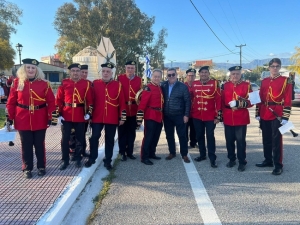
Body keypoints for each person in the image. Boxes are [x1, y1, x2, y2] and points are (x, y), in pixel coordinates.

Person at [6, 58, 56, 178]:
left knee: (39, 144)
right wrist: (10, 117)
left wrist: (51, 116)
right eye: (28, 67)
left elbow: (51, 101)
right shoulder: (17, 83)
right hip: (22, 118)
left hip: (40, 117)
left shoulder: (44, 84)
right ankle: (27, 168)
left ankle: (41, 166)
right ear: (24, 69)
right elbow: (11, 102)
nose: (30, 70)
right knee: (26, 144)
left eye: (33, 68)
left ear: (37, 70)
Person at [85, 62, 126, 170]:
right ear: (101, 72)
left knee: (110, 140)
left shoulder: (118, 85)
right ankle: (92, 157)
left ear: (111, 73)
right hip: (97, 116)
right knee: (94, 137)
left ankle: (108, 160)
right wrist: (89, 114)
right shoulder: (95, 83)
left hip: (112, 117)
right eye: (103, 71)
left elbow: (122, 102)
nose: (105, 73)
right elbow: (90, 101)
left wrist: (123, 117)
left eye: (108, 71)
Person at [255, 58, 292, 175]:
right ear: (269, 67)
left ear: (280, 67)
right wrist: (257, 112)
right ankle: (268, 160)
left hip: (278, 113)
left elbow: (287, 99)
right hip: (265, 112)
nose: (274, 68)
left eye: (277, 66)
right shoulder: (264, 81)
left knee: (276, 141)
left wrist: (286, 117)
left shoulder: (286, 81)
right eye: (272, 66)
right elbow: (260, 98)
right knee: (266, 139)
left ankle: (278, 164)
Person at [56, 63, 93, 170]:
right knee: (65, 139)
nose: (75, 73)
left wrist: (89, 113)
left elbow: (90, 100)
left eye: (77, 71)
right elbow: (58, 100)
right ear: (70, 72)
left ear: (80, 72)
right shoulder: (64, 83)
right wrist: (58, 114)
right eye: (73, 71)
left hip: (80, 115)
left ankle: (78, 159)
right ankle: (65, 160)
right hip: (66, 115)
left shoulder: (86, 84)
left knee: (80, 139)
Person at [221, 66, 252, 172]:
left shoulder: (247, 86)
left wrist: (239, 103)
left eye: (237, 74)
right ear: (230, 74)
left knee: (240, 141)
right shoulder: (225, 85)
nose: (235, 76)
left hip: (241, 118)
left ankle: (242, 161)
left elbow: (252, 102)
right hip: (228, 117)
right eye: (233, 74)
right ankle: (231, 159)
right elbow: (221, 101)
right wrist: (220, 116)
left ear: (241, 74)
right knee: (229, 141)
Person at [191, 66, 221, 168]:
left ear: (208, 73)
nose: (203, 74)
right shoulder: (194, 84)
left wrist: (218, 116)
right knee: (199, 136)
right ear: (199, 74)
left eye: (205, 72)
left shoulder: (215, 83)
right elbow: (191, 97)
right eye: (202, 72)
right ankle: (202, 154)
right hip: (197, 115)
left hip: (210, 116)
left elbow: (218, 100)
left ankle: (212, 158)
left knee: (210, 136)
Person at [161, 68, 191, 163]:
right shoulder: (163, 85)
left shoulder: (182, 86)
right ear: (167, 76)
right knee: (169, 135)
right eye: (169, 75)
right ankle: (172, 152)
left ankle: (184, 154)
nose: (171, 77)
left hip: (179, 115)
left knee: (182, 135)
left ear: (176, 75)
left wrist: (186, 115)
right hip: (167, 115)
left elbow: (187, 101)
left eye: (173, 74)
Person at [137, 69, 164, 165]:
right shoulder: (148, 88)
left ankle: (152, 153)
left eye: (158, 76)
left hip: (159, 116)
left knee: (156, 136)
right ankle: (144, 157)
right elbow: (142, 104)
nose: (156, 78)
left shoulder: (159, 87)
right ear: (151, 77)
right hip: (150, 115)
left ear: (161, 77)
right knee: (148, 137)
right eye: (155, 76)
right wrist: (139, 119)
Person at [117, 60, 142, 161]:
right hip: (123, 109)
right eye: (128, 68)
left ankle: (130, 152)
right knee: (122, 132)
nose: (130, 70)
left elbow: (140, 96)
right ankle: (122, 152)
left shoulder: (139, 80)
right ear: (125, 68)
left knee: (132, 132)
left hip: (134, 110)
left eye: (132, 68)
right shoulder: (119, 78)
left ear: (134, 69)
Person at [184, 68, 197, 149]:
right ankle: (185, 142)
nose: (191, 77)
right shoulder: (182, 86)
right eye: (189, 75)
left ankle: (193, 142)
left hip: (195, 111)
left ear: (195, 76)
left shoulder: (197, 85)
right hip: (186, 111)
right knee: (185, 128)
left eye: (193, 76)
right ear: (186, 76)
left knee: (194, 128)